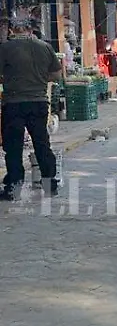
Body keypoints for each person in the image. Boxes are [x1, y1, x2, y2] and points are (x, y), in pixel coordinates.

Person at [0, 15, 62, 199]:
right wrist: (40, 80)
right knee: (41, 143)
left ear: (12, 30)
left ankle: (13, 187)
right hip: (39, 102)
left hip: (13, 103)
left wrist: (10, 80)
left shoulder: (5, 48)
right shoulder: (45, 47)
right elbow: (57, 75)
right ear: (30, 29)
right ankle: (50, 184)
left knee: (13, 147)